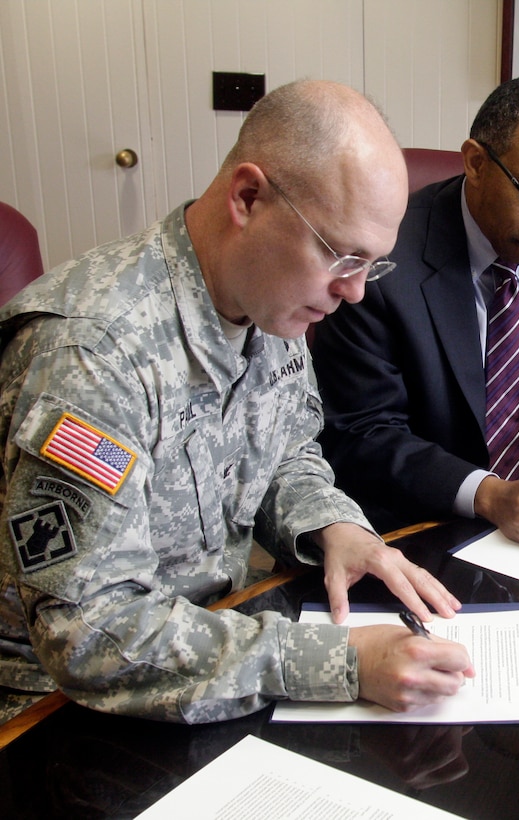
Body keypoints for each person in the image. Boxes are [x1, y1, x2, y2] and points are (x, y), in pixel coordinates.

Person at [0, 79, 474, 725]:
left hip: (216, 644)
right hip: (58, 710)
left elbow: (286, 452)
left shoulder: (269, 301)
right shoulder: (90, 354)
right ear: (247, 198)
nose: (356, 292)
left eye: (374, 264)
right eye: (342, 256)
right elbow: (92, 636)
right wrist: (339, 663)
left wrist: (334, 527)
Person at [312, 76, 519, 552]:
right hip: (415, 528)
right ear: (476, 162)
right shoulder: (383, 255)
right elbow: (361, 432)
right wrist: (487, 494)